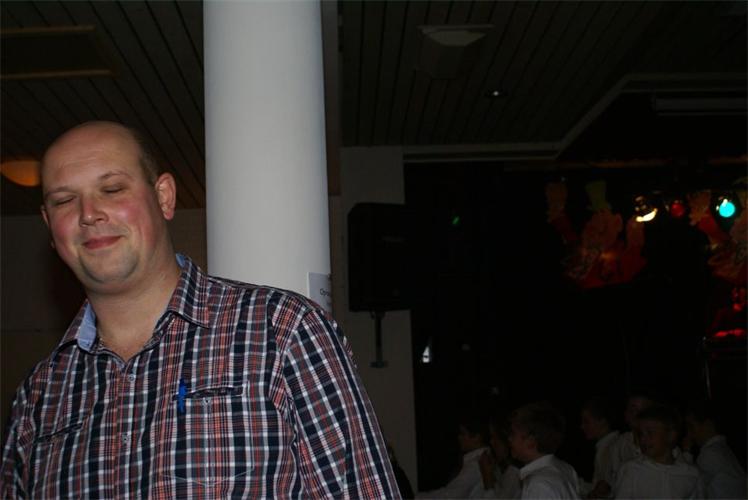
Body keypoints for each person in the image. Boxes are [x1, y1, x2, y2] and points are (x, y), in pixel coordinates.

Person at [0, 121, 400, 498]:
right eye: (65, 200)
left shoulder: (284, 330)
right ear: (49, 224)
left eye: (113, 189)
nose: (88, 214)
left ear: (164, 197)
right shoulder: (38, 395)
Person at [613, 405, 703, 499]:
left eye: (650, 433)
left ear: (671, 435)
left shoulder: (690, 475)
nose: (643, 439)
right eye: (640, 434)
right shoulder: (631, 470)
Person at [508, 402, 581, 499]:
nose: (509, 439)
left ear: (531, 441)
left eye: (513, 434)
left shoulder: (539, 485)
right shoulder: (566, 468)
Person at [417, 414, 490, 499]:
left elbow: (452, 495)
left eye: (463, 434)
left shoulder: (475, 464)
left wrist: (417, 498)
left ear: (476, 437)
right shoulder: (482, 459)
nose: (459, 437)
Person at [684, 401, 747, 499]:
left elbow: (688, 485)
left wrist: (686, 451)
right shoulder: (723, 449)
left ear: (708, 425)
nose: (690, 434)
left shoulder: (710, 454)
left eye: (692, 427)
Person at [471, 413, 521, 498]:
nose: (492, 442)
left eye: (495, 437)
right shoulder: (503, 468)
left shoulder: (514, 474)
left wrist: (487, 477)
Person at [579, 399, 619, 499]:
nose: (582, 426)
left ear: (602, 421)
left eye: (586, 422)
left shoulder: (614, 447)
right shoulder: (604, 446)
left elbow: (608, 490)